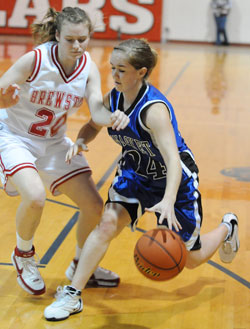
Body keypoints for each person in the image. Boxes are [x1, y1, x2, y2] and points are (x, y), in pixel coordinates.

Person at [44, 38, 239, 321]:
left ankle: (227, 226)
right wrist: (82, 140)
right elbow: (92, 124)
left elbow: (173, 160)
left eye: (122, 70)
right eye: (112, 68)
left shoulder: (153, 110)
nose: (114, 75)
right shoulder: (114, 98)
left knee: (191, 259)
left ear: (142, 72)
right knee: (107, 223)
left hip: (174, 179)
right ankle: (73, 294)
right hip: (136, 173)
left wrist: (168, 200)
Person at [0, 7, 130, 296]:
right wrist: (3, 101)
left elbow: (96, 107)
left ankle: (81, 264)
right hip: (15, 137)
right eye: (70, 39)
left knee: (95, 207)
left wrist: (111, 117)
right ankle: (23, 255)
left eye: (82, 39)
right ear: (57, 35)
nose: (77, 46)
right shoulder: (34, 60)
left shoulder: (88, 68)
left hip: (54, 143)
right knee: (34, 197)